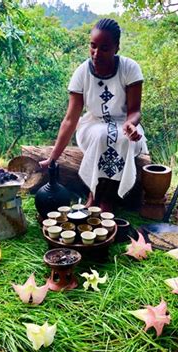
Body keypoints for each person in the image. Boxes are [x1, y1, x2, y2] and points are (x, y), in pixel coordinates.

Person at [39, 18, 148, 212]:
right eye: (93, 46)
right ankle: (94, 194)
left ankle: (107, 200)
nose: (96, 53)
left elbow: (135, 111)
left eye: (104, 48)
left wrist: (131, 125)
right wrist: (53, 157)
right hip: (92, 124)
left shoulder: (130, 68)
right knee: (101, 135)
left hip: (126, 125)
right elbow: (71, 119)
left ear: (117, 47)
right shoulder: (82, 72)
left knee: (122, 138)